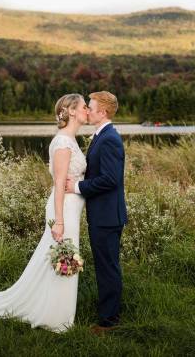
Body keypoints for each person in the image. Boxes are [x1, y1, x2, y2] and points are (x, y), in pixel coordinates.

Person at [0, 93, 88, 333]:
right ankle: (55, 317)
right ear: (70, 111)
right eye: (84, 106)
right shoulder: (63, 143)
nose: (87, 110)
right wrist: (58, 221)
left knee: (59, 259)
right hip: (63, 210)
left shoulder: (71, 139)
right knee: (62, 257)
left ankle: (55, 309)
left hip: (70, 208)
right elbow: (59, 184)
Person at [66, 91, 128, 335]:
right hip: (103, 215)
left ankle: (109, 322)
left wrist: (77, 187)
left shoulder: (110, 138)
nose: (87, 111)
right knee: (106, 265)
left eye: (90, 107)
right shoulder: (102, 135)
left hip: (107, 216)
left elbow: (111, 180)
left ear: (102, 112)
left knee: (107, 267)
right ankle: (107, 314)